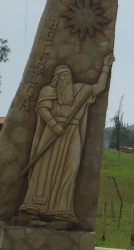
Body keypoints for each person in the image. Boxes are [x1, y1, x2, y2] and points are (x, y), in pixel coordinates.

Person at [20, 54, 114, 224]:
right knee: (44, 168)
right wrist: (55, 126)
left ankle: (61, 209)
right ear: (56, 78)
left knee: (70, 168)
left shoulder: (80, 90)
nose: (66, 79)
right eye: (62, 76)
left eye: (68, 76)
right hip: (52, 133)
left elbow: (99, 87)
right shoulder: (49, 91)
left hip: (72, 134)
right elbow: (42, 109)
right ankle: (34, 207)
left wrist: (106, 67)